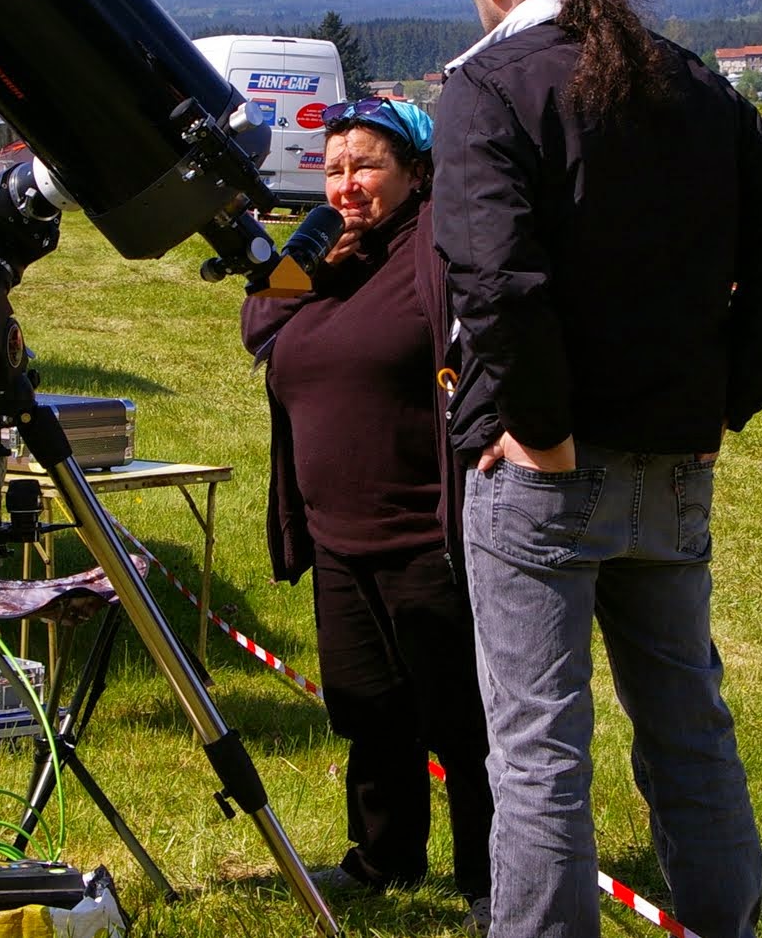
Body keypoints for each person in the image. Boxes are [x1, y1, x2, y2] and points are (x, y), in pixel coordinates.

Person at [425, 0, 762, 938]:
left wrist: (543, 429)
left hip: (542, 469)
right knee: (689, 727)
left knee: (537, 751)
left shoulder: (487, 89)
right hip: (669, 459)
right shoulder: (686, 79)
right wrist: (720, 402)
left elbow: (496, 280)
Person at [241, 97, 495, 929]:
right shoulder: (326, 247)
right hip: (337, 532)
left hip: (425, 530)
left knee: (461, 720)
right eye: (334, 167)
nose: (346, 183)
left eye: (366, 166)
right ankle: (385, 857)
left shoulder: (438, 246)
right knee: (368, 704)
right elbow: (257, 319)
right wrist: (313, 261)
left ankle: (491, 876)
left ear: (416, 171)